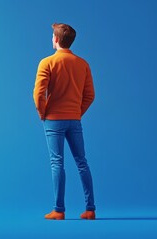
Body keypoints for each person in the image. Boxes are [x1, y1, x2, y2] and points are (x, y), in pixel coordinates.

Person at [33, 23, 96, 220]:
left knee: (57, 163)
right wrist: (77, 112)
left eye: (53, 36)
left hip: (53, 119)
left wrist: (43, 112)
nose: (52, 38)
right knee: (82, 162)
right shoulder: (83, 64)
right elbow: (90, 95)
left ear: (57, 39)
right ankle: (90, 209)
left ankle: (59, 210)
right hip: (74, 119)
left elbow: (38, 94)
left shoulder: (47, 62)